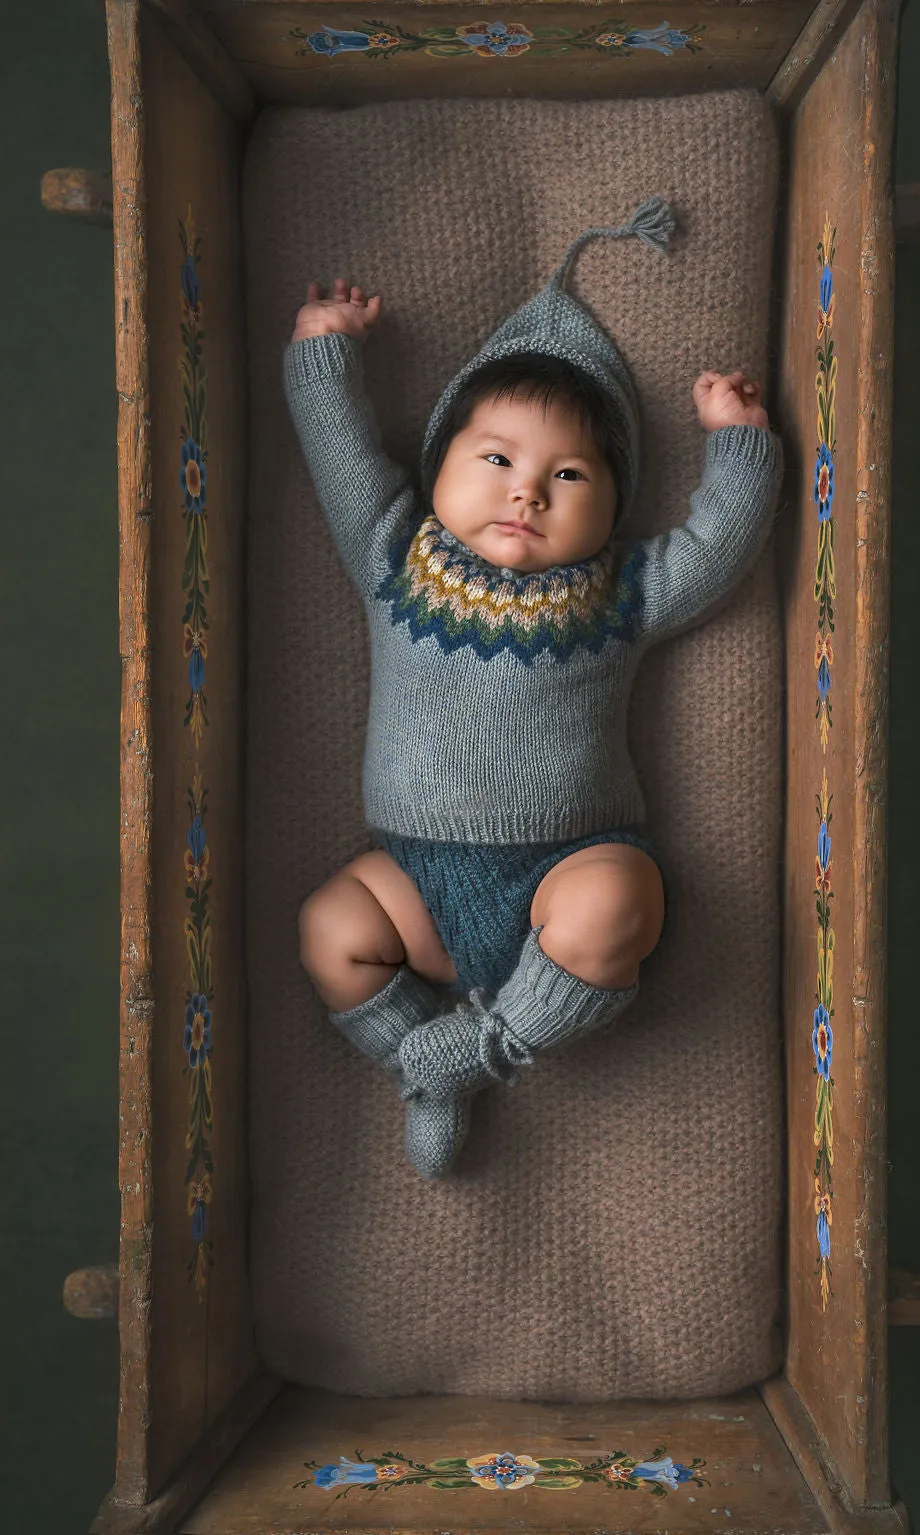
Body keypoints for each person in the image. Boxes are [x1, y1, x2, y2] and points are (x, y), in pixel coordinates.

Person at [282, 197, 783, 1180]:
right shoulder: (394, 556)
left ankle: (479, 1050)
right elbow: (340, 458)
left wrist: (739, 442)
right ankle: (430, 1068)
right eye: (498, 459)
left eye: (569, 476)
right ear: (438, 472)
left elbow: (719, 549)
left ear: (611, 506)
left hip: (566, 868)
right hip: (415, 877)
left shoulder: (623, 590)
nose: (527, 491)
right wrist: (322, 348)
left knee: (619, 902)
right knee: (329, 929)